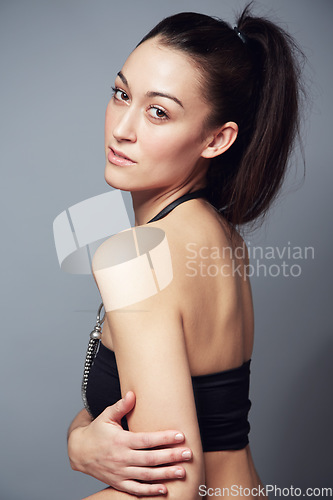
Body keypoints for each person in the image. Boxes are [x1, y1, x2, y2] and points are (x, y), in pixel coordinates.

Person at [67, 5, 304, 499]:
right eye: (121, 94)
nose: (122, 128)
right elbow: (168, 410)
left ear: (217, 139)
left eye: (158, 112)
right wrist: (80, 442)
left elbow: (175, 489)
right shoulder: (221, 237)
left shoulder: (136, 257)